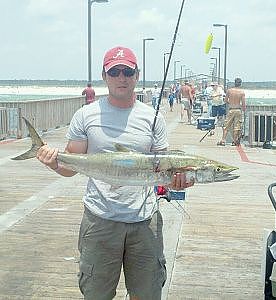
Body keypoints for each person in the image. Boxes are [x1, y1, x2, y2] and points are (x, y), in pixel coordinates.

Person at [36, 46, 194, 300]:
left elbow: (163, 170)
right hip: (100, 220)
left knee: (147, 294)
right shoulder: (86, 115)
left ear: (137, 75)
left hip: (145, 222)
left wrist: (177, 183)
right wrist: (53, 162)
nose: (122, 77)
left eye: (128, 71)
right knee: (97, 295)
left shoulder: (152, 118)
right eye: (115, 71)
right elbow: (69, 167)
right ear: (104, 75)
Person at [217, 77, 246, 146]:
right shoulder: (242, 92)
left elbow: (225, 101)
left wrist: (230, 103)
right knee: (237, 126)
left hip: (231, 109)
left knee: (226, 125)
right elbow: (243, 104)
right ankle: (234, 141)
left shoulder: (229, 91)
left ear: (234, 83)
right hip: (238, 110)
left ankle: (223, 140)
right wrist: (243, 111)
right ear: (240, 84)